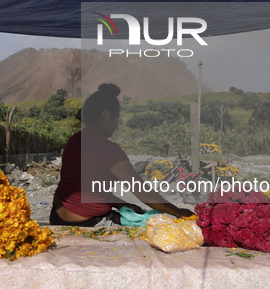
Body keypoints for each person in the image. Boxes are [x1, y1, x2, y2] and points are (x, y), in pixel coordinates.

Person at [50, 83, 194, 226]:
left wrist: (121, 204)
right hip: (87, 222)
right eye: (116, 118)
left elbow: (87, 189)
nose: (117, 124)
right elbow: (144, 193)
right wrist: (178, 212)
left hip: (57, 216)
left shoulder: (74, 140)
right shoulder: (107, 149)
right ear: (106, 115)